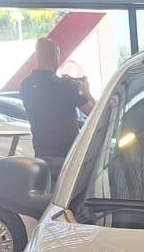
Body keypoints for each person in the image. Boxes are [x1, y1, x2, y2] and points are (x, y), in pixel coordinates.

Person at [19, 37, 94, 168]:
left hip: (41, 156)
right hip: (68, 157)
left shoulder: (25, 85)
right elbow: (93, 114)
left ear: (37, 57)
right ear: (56, 58)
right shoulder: (66, 86)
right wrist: (86, 91)